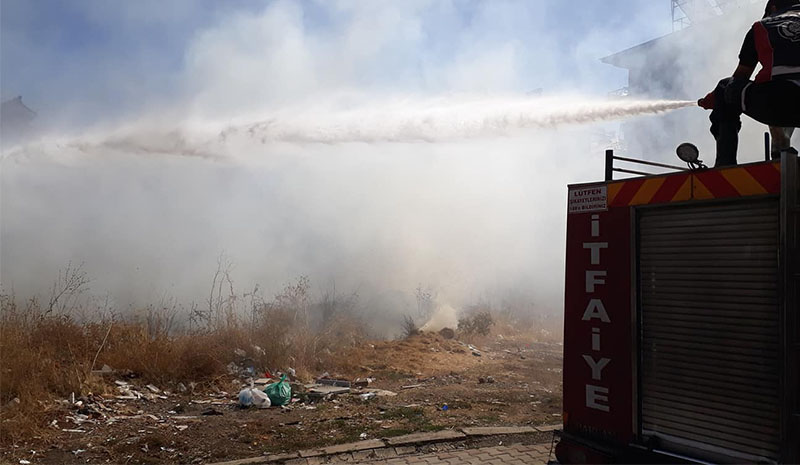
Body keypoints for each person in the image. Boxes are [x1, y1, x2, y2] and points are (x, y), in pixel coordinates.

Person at [698, 0, 800, 167]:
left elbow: (739, 78)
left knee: (725, 87)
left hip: (779, 101)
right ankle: (780, 148)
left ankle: (725, 166)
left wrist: (714, 98)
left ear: (773, 7)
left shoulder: (762, 26)